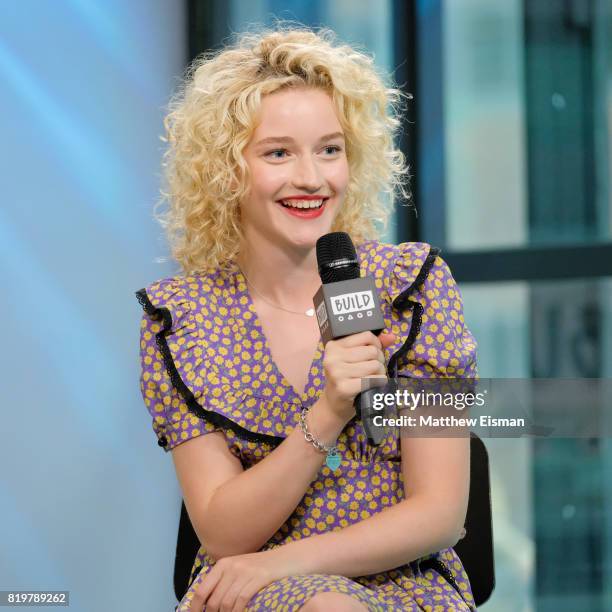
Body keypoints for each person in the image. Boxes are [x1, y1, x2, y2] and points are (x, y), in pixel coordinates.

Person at [136, 24, 479, 612]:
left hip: (405, 583)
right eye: (278, 153)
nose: (312, 178)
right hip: (257, 597)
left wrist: (280, 563)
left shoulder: (414, 287)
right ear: (228, 170)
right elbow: (222, 533)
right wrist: (329, 410)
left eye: (329, 148)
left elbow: (441, 514)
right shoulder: (181, 320)